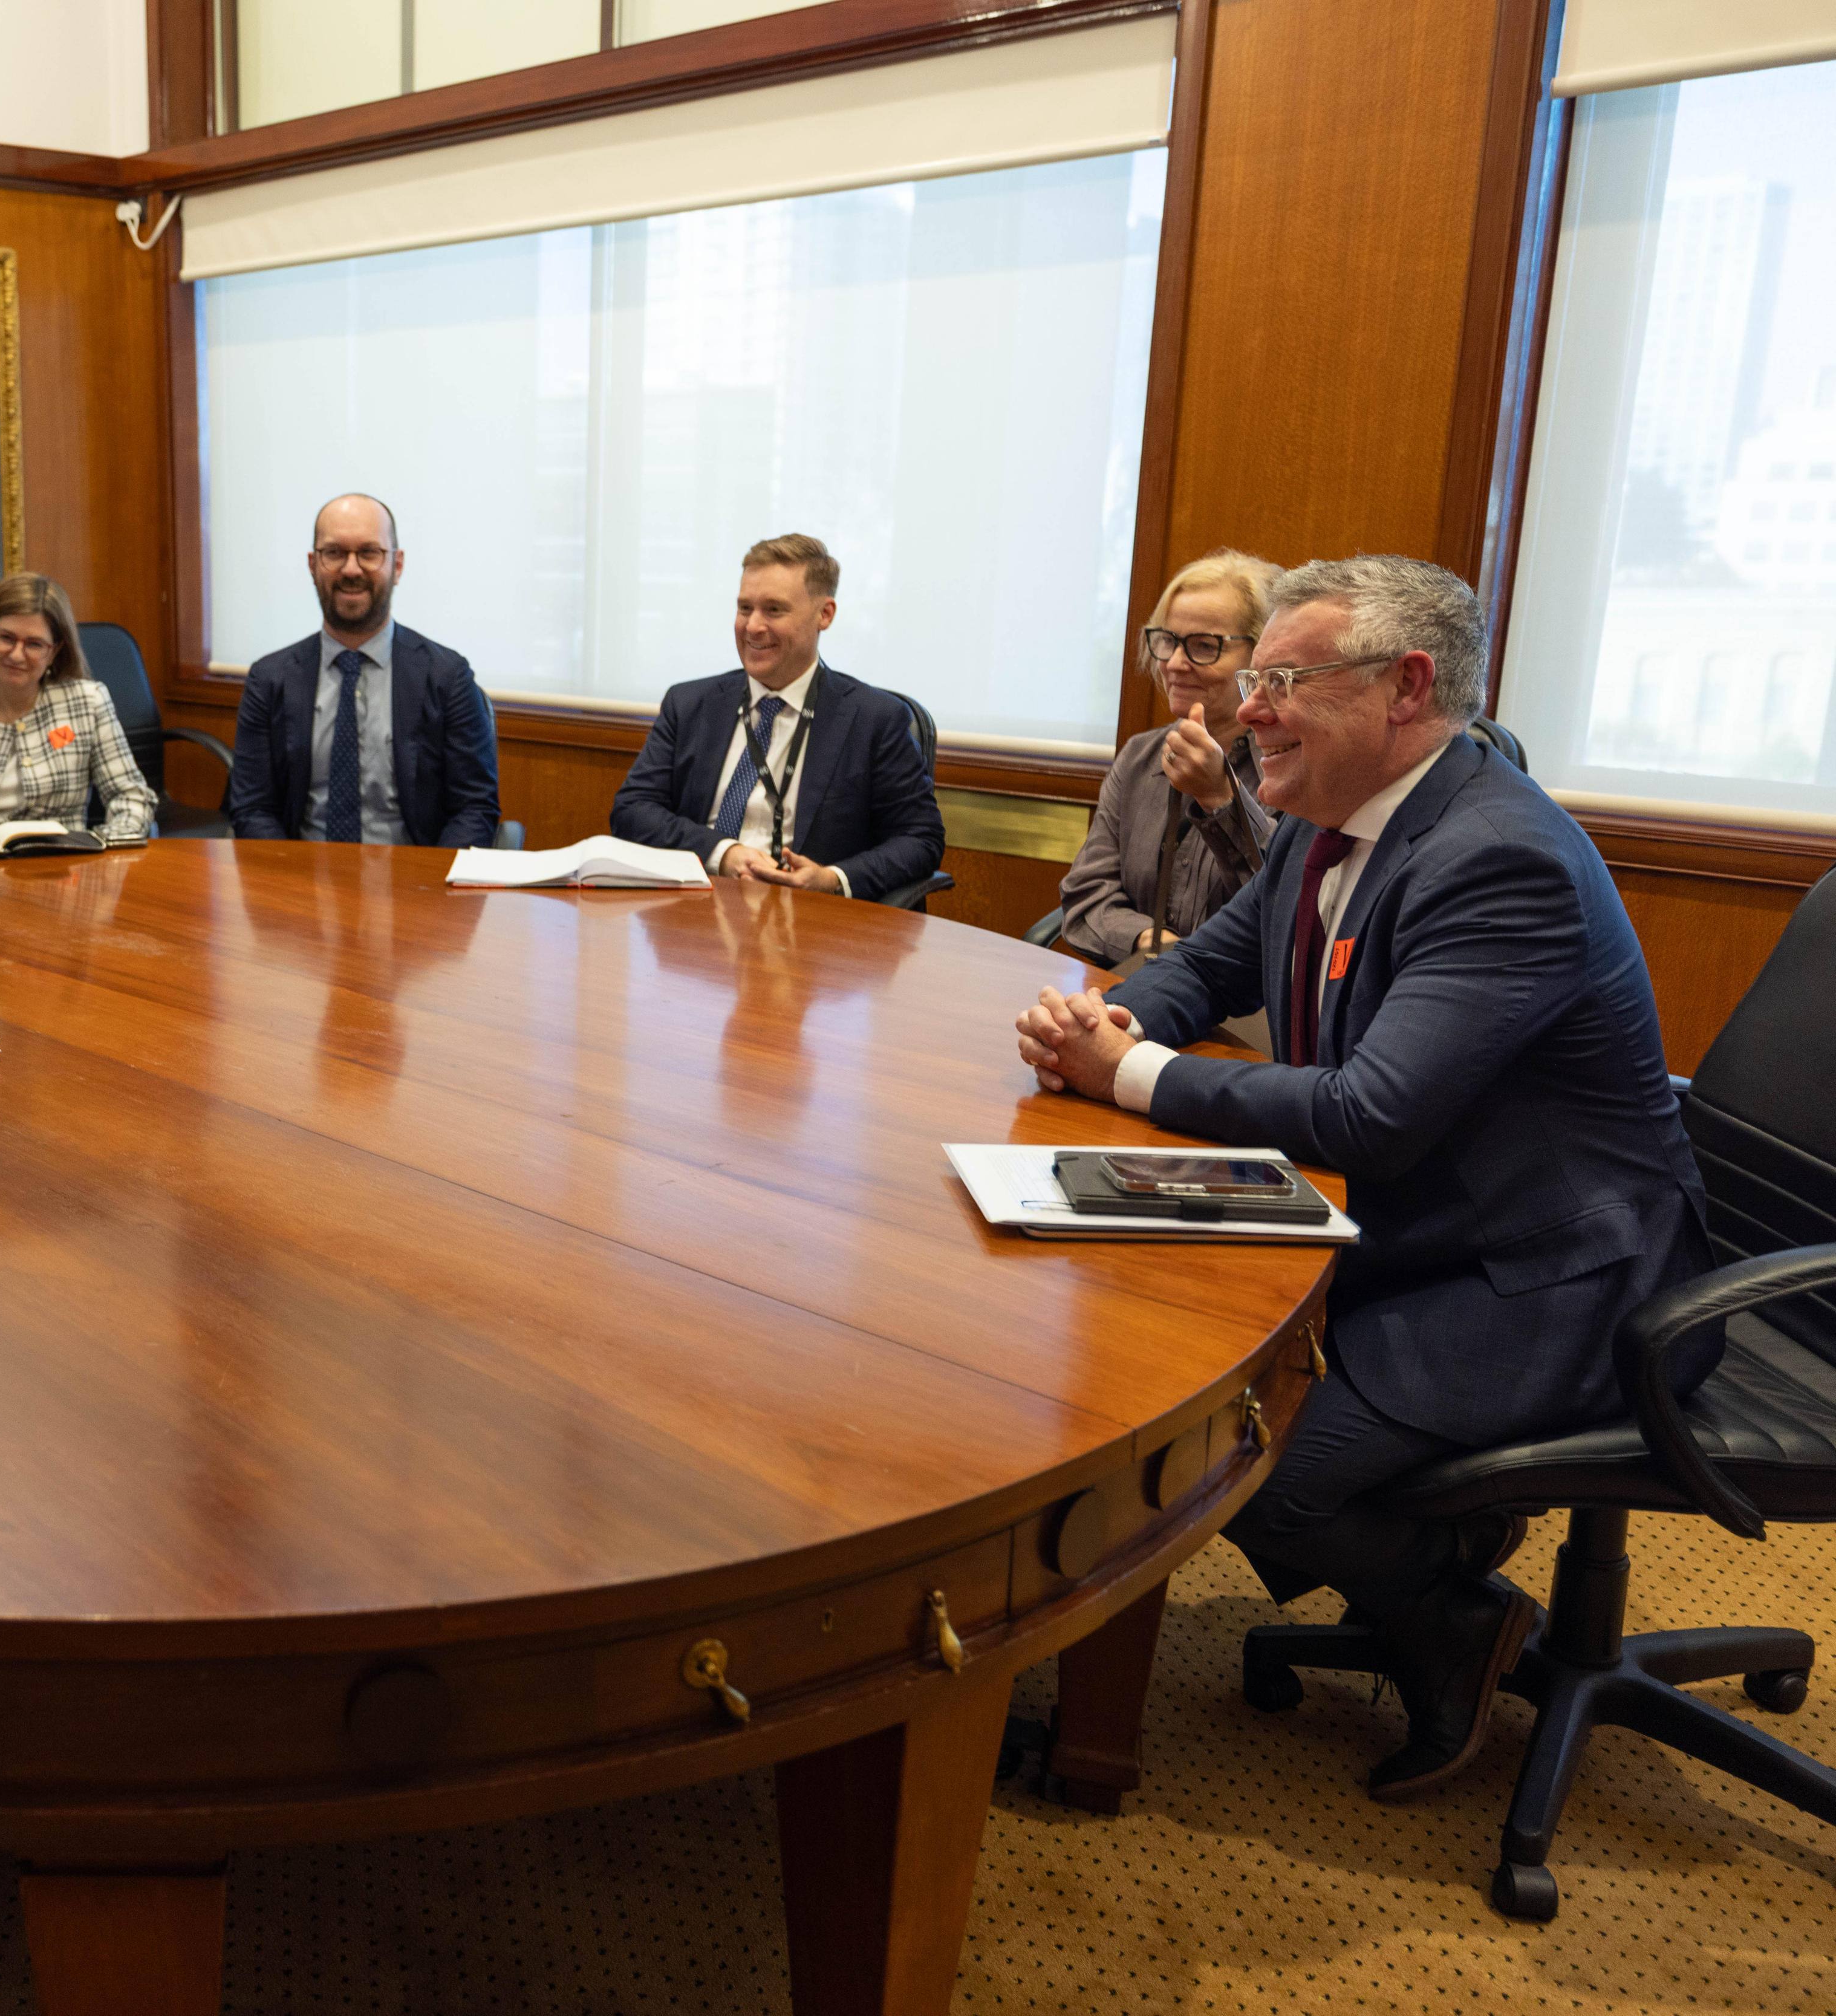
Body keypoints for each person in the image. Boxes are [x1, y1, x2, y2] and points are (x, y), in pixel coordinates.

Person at [1011, 554, 1709, 1802]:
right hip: (1420, 1225)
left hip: (1552, 1275)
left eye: (1284, 678)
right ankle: (1430, 1528)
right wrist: (1098, 1019)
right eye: (1254, 675)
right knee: (1171, 1364)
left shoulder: (1501, 859)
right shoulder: (1325, 822)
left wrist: (1129, 1079)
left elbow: (1369, 1114)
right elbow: (1205, 969)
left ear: (1407, 688)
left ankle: (1456, 1612)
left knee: (1228, 1450)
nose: (1248, 707)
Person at [608, 533, 945, 899]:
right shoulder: (690, 704)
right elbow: (632, 810)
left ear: (825, 614)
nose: (753, 626)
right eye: (744, 609)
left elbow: (920, 839)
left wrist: (832, 878)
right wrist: (723, 853)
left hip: (812, 927)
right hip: (695, 911)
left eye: (774, 610)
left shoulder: (874, 720)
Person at [222, 494, 502, 848]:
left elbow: (474, 810)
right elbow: (252, 809)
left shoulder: (448, 677)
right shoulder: (269, 679)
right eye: (334, 553)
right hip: (301, 885)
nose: (351, 570)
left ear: (397, 566)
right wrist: (289, 888)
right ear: (313, 565)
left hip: (413, 888)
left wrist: (431, 893)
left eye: (369, 553)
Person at [1057, 550, 1284, 966]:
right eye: (1167, 641)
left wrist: (1221, 798)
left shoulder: (1294, 765)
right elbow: (1087, 892)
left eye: (1204, 646)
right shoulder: (1141, 756)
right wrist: (1149, 940)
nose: (1175, 664)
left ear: (1262, 656)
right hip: (1139, 987)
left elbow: (1287, 910)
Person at [0, 573, 157, 843]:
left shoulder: (88, 703)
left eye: (34, 644)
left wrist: (99, 846)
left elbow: (131, 797)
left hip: (65, 870)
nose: (16, 655)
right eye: (6, 638)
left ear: (55, 651)